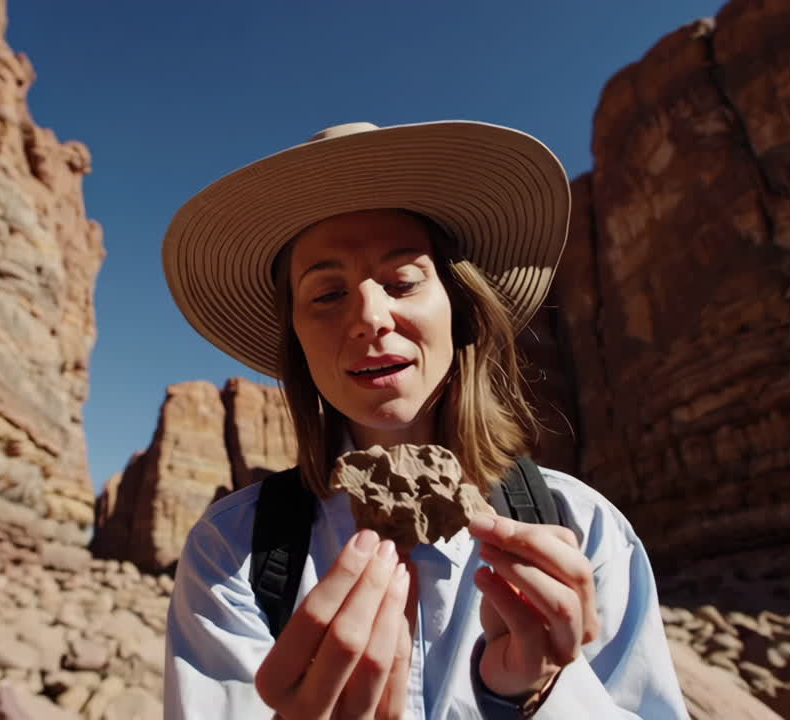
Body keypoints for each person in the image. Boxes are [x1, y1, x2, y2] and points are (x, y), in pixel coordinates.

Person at [160, 121, 689, 719]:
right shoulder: (232, 550)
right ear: (296, 340)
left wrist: (534, 695)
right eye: (327, 295)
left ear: (461, 310)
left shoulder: (582, 529)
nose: (370, 317)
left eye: (403, 281)